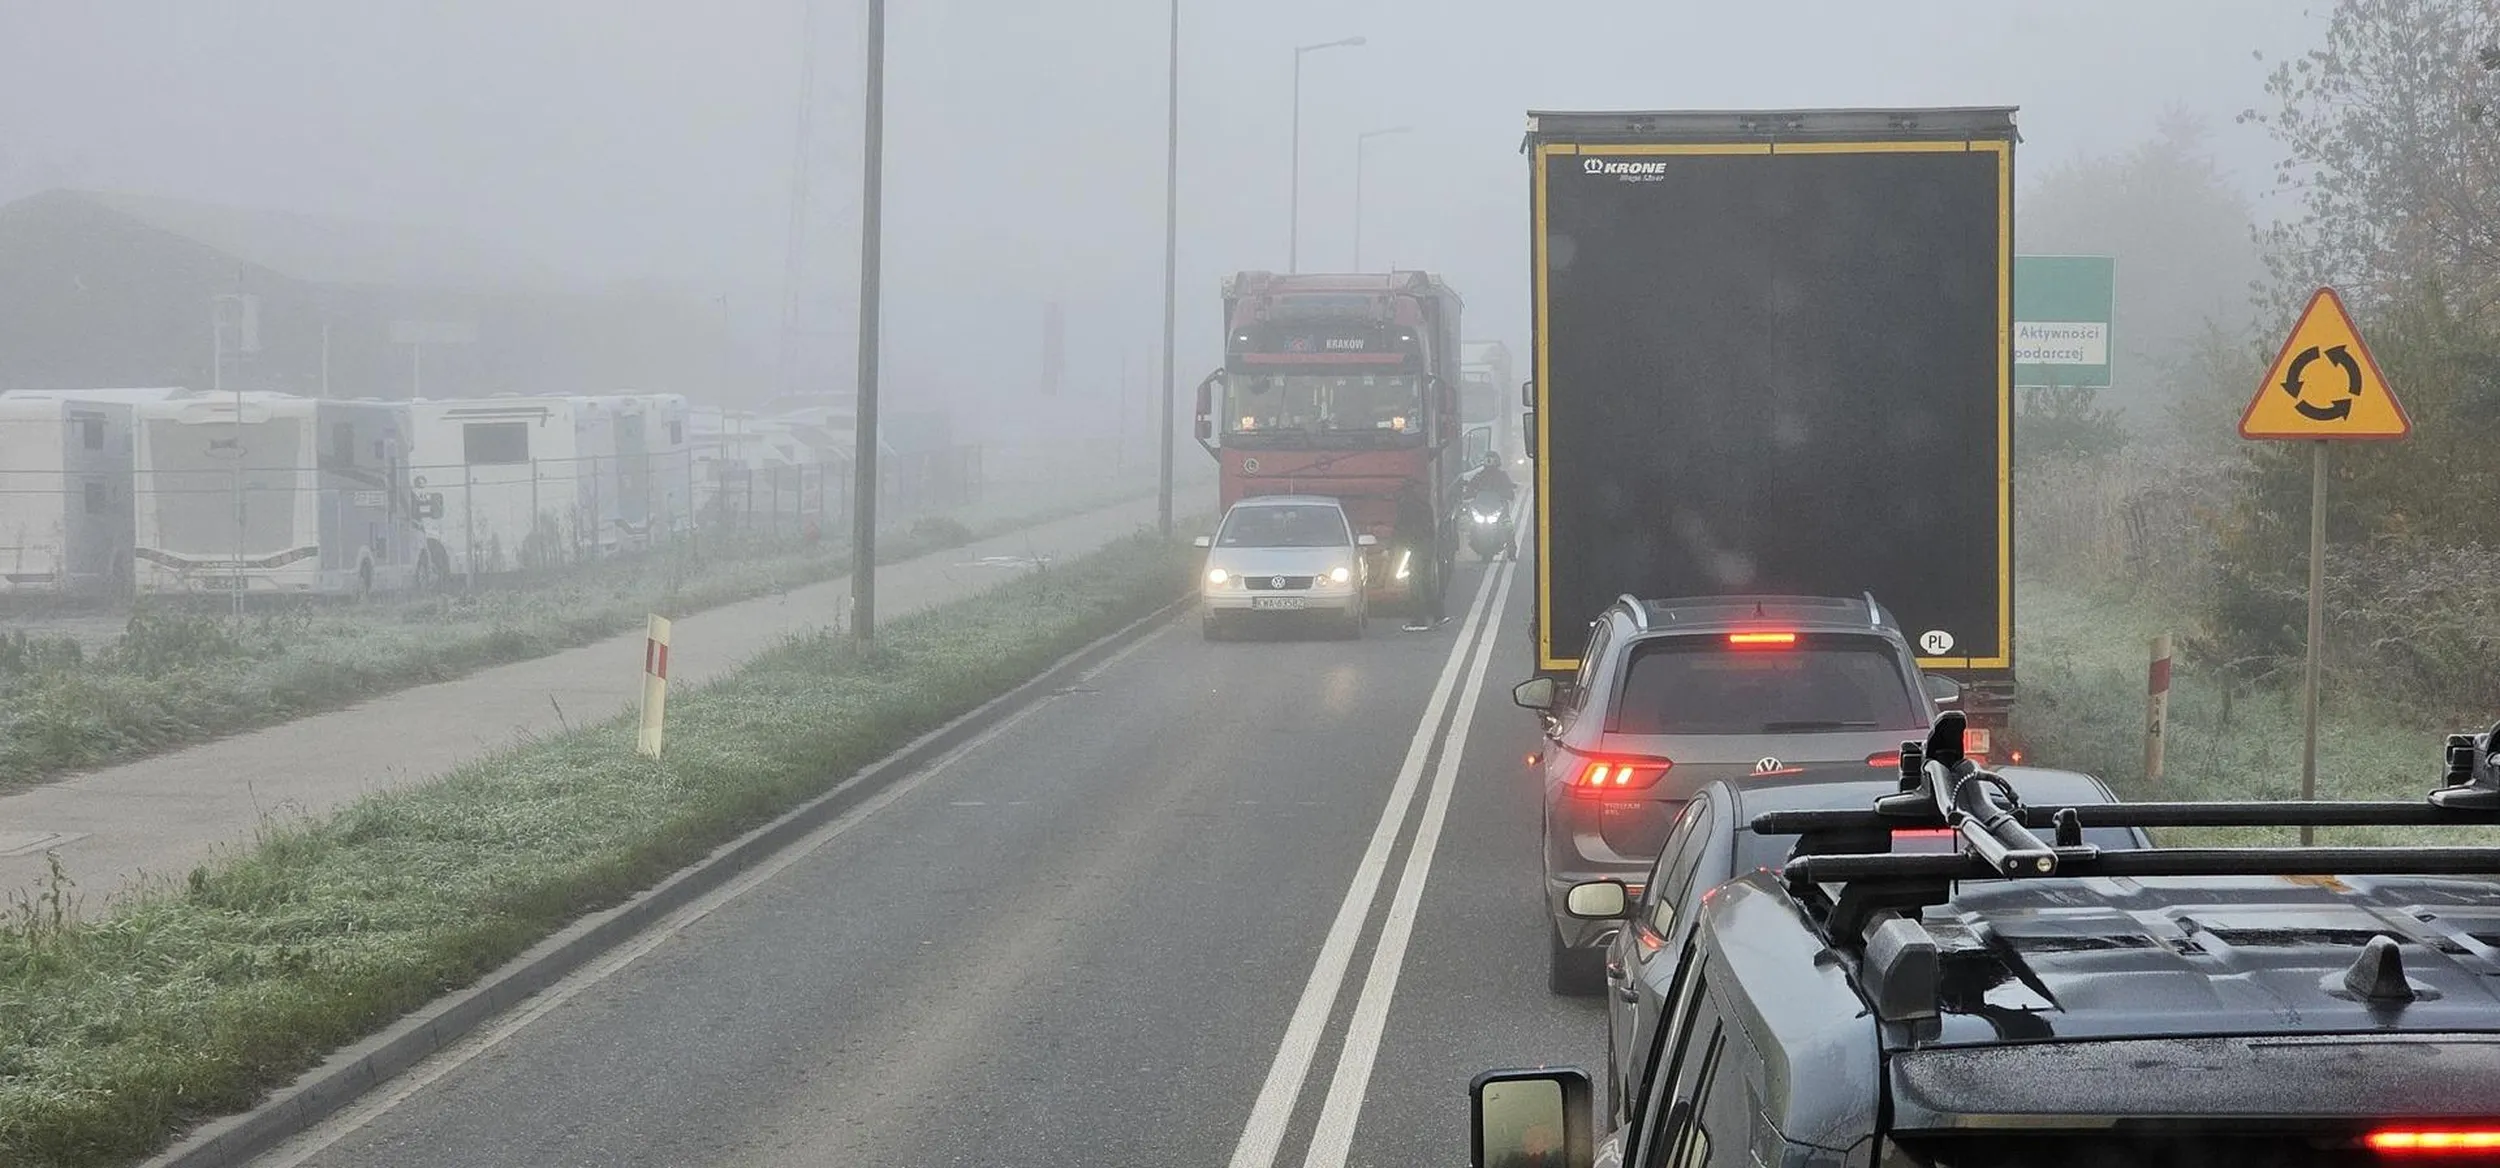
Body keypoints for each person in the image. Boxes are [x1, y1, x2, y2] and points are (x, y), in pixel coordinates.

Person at [1395, 481, 1447, 631]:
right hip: (1427, 546)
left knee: (1415, 584)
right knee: (1426, 581)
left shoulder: (1406, 506)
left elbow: (1400, 529)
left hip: (1417, 547)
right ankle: (1439, 615)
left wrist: (1393, 547)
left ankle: (1419, 620)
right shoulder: (1424, 505)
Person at [1467, 452, 1519, 559]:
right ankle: (1474, 541)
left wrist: (1509, 492)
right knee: (1469, 524)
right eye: (1488, 460)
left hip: (1499, 509)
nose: (1490, 462)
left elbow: (1509, 489)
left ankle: (1512, 552)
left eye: (1492, 460)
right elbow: (1470, 488)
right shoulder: (1479, 476)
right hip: (1482, 508)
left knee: (1508, 527)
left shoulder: (1502, 476)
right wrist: (1468, 492)